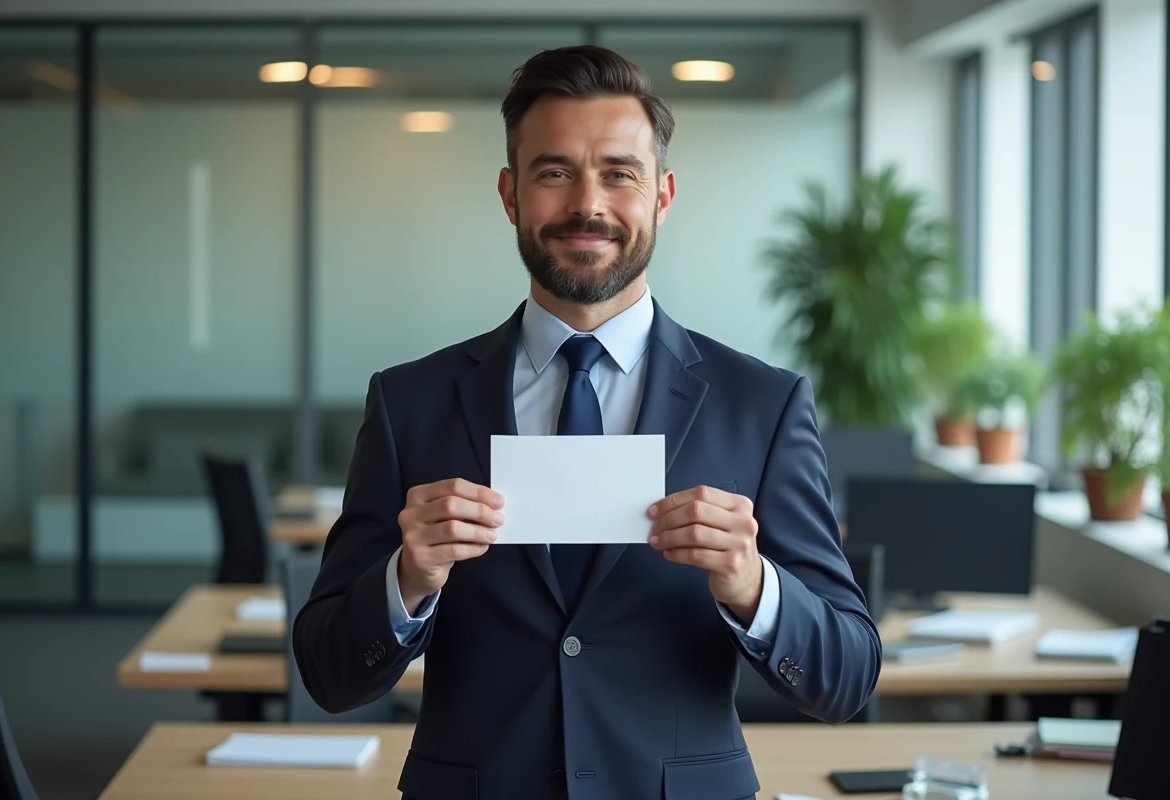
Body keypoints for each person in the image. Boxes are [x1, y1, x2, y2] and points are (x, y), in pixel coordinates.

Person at [293, 44, 881, 800]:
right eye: (554, 172)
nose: (588, 204)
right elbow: (327, 674)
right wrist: (408, 580)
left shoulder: (762, 405)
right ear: (510, 194)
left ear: (662, 196)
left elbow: (847, 678)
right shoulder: (410, 404)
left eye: (618, 173)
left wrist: (751, 583)